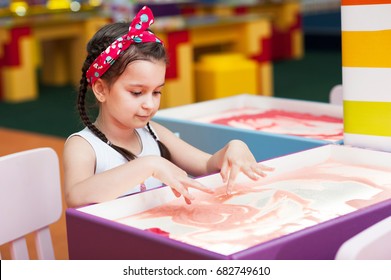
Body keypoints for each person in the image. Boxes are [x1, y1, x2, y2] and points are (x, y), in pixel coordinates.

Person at [63, 6, 273, 208]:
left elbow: (207, 165)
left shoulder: (153, 133)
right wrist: (149, 165)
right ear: (100, 90)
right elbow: (76, 195)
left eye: (156, 92)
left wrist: (233, 147)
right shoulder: (84, 146)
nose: (150, 104)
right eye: (137, 92)